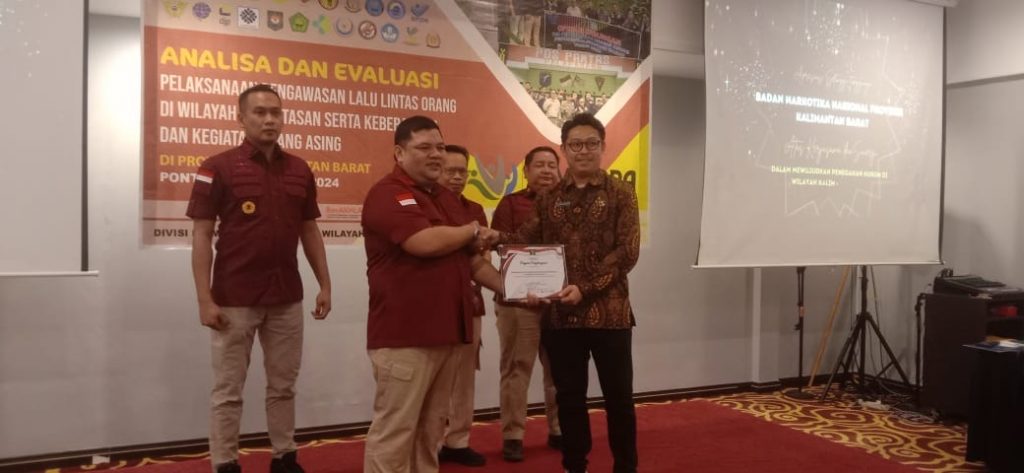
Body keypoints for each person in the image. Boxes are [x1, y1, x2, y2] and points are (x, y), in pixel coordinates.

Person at [187, 84, 332, 473]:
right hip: (233, 298)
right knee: (228, 390)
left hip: (286, 296)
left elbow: (309, 230)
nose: (270, 120)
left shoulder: (300, 169)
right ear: (241, 118)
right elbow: (201, 235)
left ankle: (284, 456)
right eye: (260, 112)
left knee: (283, 386)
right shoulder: (216, 167)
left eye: (276, 112)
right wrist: (204, 299)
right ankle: (225, 462)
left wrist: (325, 284)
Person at [499, 113, 640, 473]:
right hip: (562, 318)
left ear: (602, 147)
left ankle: (625, 466)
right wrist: (491, 240)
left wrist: (585, 288)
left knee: (619, 398)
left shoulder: (621, 193)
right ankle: (574, 465)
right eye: (575, 144)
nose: (584, 151)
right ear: (564, 149)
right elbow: (525, 240)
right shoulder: (549, 198)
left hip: (611, 315)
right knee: (570, 399)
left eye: (591, 143)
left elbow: (627, 252)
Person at [361, 116, 503, 473]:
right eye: (424, 147)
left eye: (439, 147)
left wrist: (517, 289)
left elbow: (472, 263)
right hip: (405, 338)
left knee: (430, 432)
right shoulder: (388, 193)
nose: (436, 154)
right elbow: (422, 242)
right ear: (399, 153)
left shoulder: (445, 199)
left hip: (448, 335)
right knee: (395, 432)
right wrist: (472, 230)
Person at [491, 146, 563, 462]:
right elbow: (501, 245)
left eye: (551, 165)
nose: (546, 170)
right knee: (516, 368)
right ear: (526, 171)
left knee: (560, 370)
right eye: (539, 165)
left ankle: (559, 430)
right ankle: (513, 435)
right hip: (519, 302)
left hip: (559, 301)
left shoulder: (569, 203)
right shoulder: (510, 204)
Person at [432, 144, 490, 467]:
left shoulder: (475, 209)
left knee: (464, 376)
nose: (456, 177)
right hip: (433, 306)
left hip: (471, 302)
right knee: (433, 376)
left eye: (462, 172)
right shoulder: (425, 207)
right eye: (449, 171)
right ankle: (430, 442)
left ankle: (458, 440)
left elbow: (482, 256)